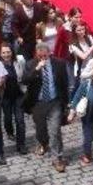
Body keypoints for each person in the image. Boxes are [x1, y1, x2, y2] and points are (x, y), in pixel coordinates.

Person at [22, 42, 69, 172]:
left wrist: (67, 104)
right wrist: (36, 69)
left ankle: (57, 158)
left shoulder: (59, 64)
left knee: (55, 130)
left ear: (49, 53)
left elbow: (64, 84)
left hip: (54, 102)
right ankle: (43, 143)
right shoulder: (31, 64)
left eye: (45, 55)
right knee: (41, 130)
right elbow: (25, 80)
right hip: (39, 102)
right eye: (40, 56)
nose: (43, 58)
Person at [0, 43, 28, 155]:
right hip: (5, 96)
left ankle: (21, 144)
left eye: (8, 52)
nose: (6, 55)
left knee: (20, 120)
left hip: (18, 94)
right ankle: (9, 131)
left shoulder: (19, 60)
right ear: (0, 54)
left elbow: (24, 74)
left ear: (12, 52)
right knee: (7, 118)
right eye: (3, 53)